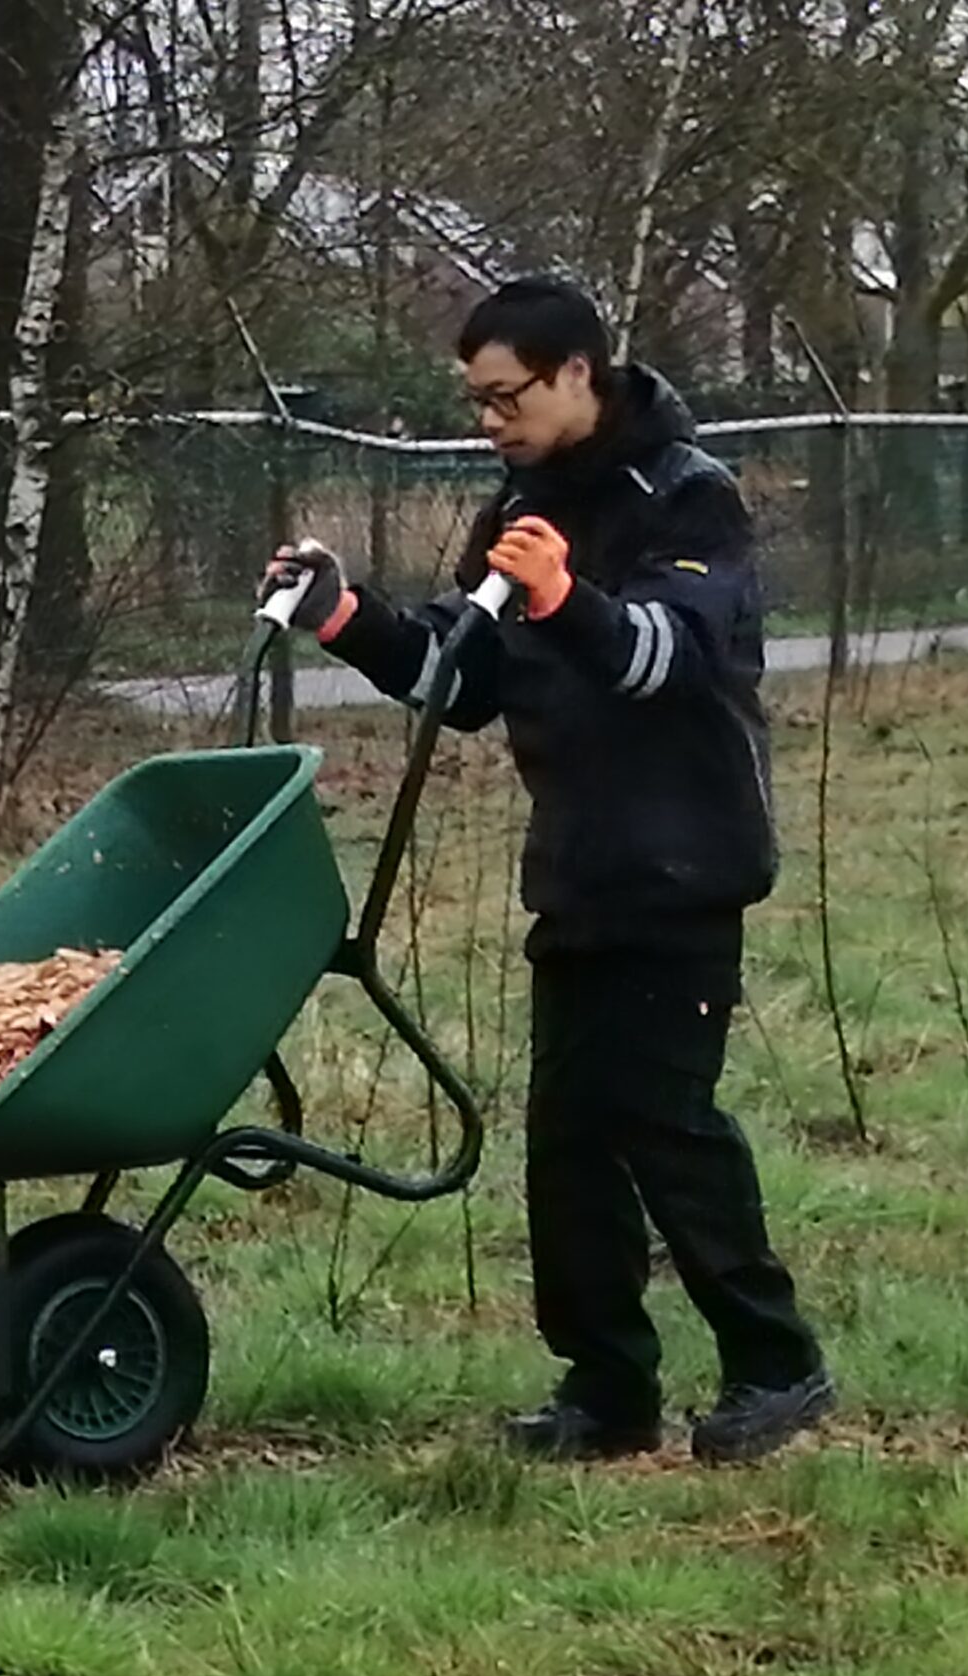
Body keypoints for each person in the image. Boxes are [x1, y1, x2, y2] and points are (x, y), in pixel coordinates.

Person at [263, 278, 836, 1465]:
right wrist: (345, 616)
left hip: (685, 863)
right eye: (474, 404)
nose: (489, 423)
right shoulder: (520, 504)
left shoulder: (690, 499)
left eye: (505, 397)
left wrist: (564, 595)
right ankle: (606, 1389)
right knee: (569, 1138)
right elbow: (464, 683)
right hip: (578, 865)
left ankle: (776, 1365)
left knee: (663, 1122)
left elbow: (662, 662)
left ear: (579, 371)